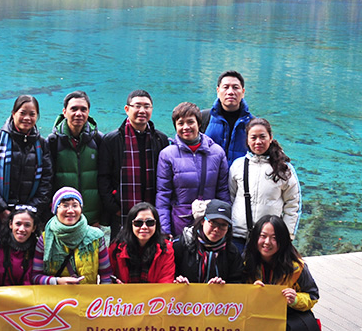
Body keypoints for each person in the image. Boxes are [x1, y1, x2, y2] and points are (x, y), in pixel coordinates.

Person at [244, 215, 319, 331]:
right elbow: (235, 290)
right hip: (255, 315)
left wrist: (295, 299)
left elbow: (313, 295)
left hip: (285, 317)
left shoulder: (296, 267)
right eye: (263, 236)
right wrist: (250, 291)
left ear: (283, 240)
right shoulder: (246, 261)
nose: (267, 242)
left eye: (274, 238)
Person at [98, 90, 169, 234]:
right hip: (122, 210)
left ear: (151, 109)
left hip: (152, 210)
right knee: (120, 251)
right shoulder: (112, 140)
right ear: (127, 109)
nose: (142, 110)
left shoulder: (160, 139)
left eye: (146, 106)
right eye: (137, 106)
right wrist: (114, 208)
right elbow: (103, 177)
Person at [156, 102, 230, 238]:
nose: (186, 127)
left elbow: (223, 191)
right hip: (179, 222)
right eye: (180, 123)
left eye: (190, 122)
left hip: (211, 222)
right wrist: (164, 230)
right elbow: (163, 196)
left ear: (199, 124)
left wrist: (225, 222)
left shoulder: (217, 152)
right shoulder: (167, 155)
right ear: (175, 126)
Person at [229, 118, 302, 252]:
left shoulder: (284, 169)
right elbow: (231, 198)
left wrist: (286, 237)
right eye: (253, 137)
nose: (258, 142)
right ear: (247, 140)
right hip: (238, 236)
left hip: (268, 239)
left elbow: (293, 205)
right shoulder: (238, 166)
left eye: (262, 137)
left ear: (270, 137)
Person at [0, 95, 53, 225]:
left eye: (32, 114)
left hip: (30, 217)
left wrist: (30, 211)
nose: (27, 118)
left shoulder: (41, 144)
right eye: (22, 113)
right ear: (13, 114)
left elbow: (46, 182)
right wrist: (1, 209)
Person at [31, 187, 113, 285]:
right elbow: (36, 277)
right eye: (65, 206)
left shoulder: (96, 237)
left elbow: (106, 276)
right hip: (57, 298)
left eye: (75, 206)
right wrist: (57, 281)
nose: (70, 211)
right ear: (55, 209)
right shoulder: (45, 239)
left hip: (89, 298)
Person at [48, 90, 104, 226]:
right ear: (64, 111)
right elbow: (47, 179)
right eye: (74, 109)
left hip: (92, 217)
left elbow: (105, 177)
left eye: (83, 109)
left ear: (88, 112)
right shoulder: (53, 141)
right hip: (62, 216)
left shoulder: (98, 139)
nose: (78, 113)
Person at [173, 200, 244, 284]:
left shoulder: (232, 251)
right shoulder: (181, 244)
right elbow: (169, 275)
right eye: (213, 222)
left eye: (223, 225)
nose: (217, 229)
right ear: (203, 221)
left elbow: (237, 281)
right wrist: (178, 281)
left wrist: (223, 287)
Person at [108, 202, 174, 284]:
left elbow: (166, 282)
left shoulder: (166, 249)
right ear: (130, 225)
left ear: (156, 225)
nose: (144, 227)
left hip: (155, 296)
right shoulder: (116, 248)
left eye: (150, 222)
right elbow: (108, 279)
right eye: (138, 223)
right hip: (123, 295)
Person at [202, 70, 254, 165]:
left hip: (240, 178)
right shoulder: (203, 117)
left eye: (235, 87)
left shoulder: (253, 123)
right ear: (218, 91)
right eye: (225, 87)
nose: (230, 92)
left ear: (243, 92)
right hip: (209, 178)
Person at [0, 205, 41, 286]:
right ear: (10, 224)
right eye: (18, 224)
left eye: (27, 225)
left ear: (34, 228)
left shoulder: (38, 250)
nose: (22, 229)